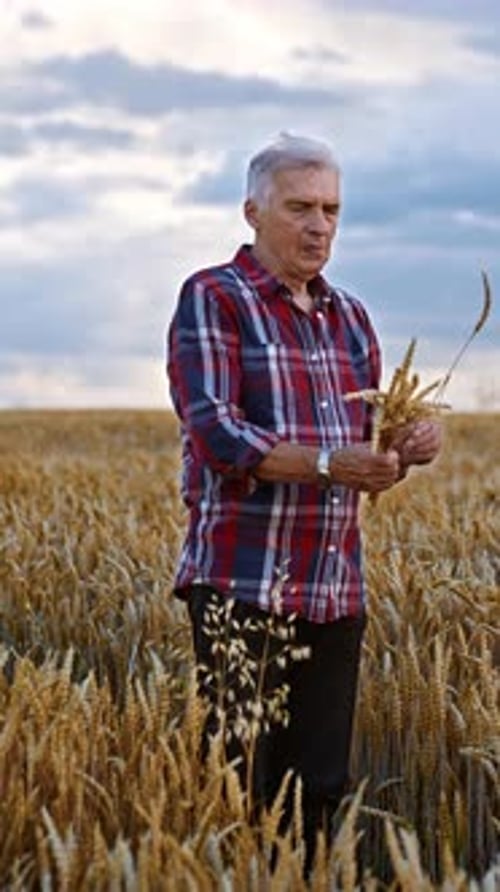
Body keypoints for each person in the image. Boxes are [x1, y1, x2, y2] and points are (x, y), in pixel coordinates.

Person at [167, 133, 442, 869]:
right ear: (253, 210)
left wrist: (403, 451)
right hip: (242, 585)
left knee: (318, 794)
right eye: (300, 207)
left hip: (333, 589)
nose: (319, 225)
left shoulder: (351, 317)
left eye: (331, 209)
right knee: (236, 791)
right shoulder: (213, 298)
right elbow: (218, 432)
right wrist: (328, 462)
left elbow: (367, 451)